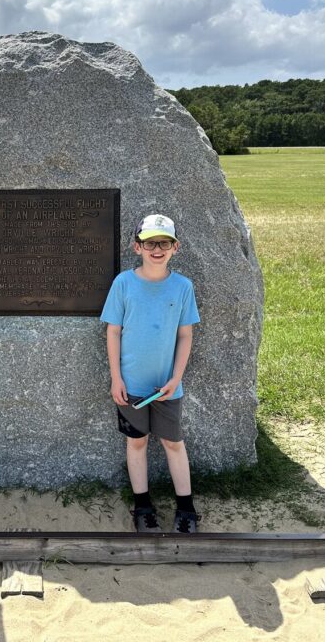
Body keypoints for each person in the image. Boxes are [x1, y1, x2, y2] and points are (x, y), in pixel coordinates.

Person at [100, 214, 202, 534]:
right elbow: (113, 332)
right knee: (137, 442)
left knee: (173, 443)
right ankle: (142, 505)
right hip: (130, 385)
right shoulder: (123, 284)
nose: (157, 249)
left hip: (167, 386)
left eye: (164, 243)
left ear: (175, 247)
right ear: (137, 246)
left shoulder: (183, 287)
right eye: (150, 243)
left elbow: (185, 335)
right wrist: (117, 378)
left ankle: (185, 507)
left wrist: (177, 377)